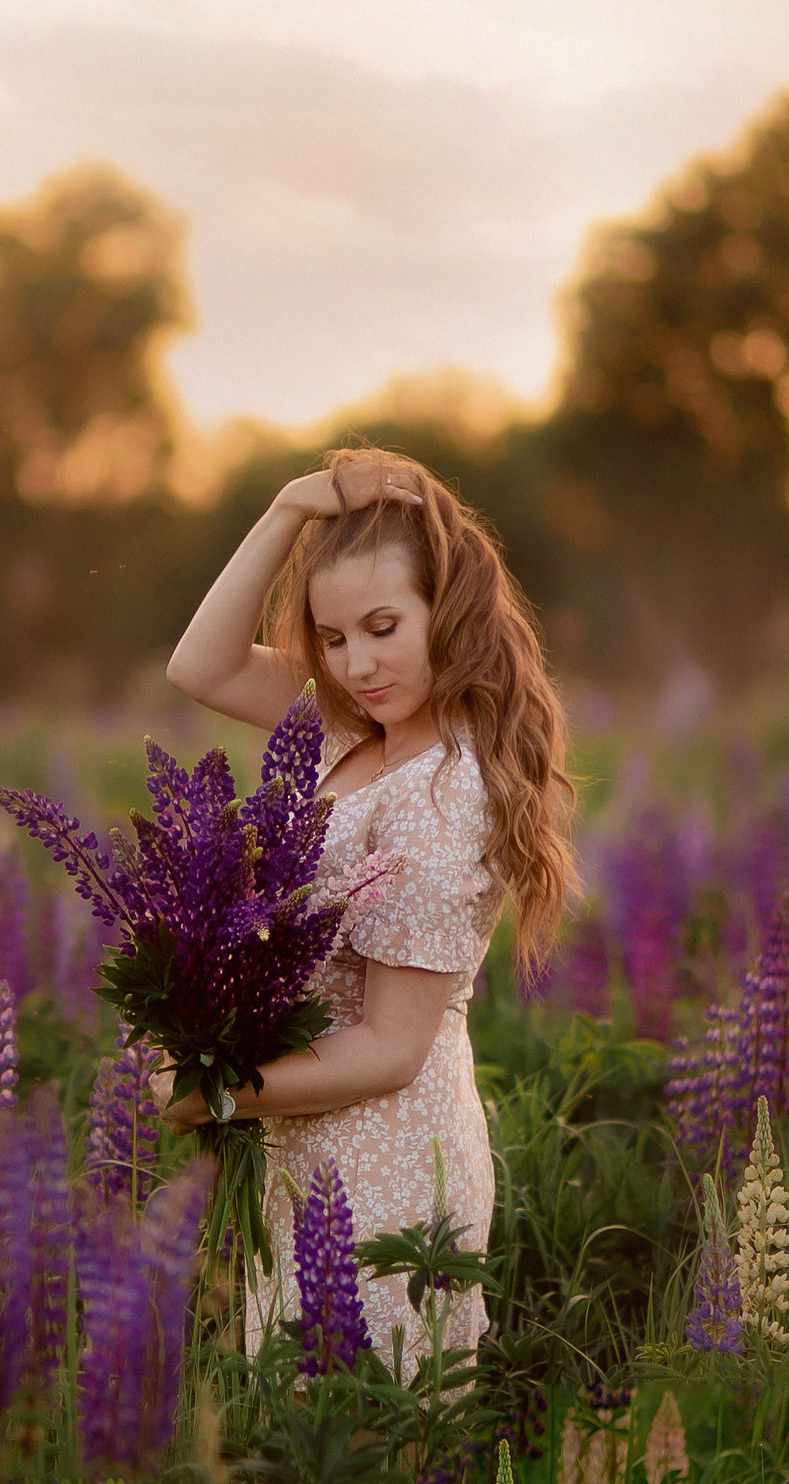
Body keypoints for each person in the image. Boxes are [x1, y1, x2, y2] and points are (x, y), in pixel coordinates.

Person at [157, 447, 579, 1375]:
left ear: (448, 610)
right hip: (304, 1149)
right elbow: (201, 664)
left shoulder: (446, 789)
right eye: (334, 637)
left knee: (379, 1467)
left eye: (384, 626)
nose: (358, 662)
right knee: (300, 1465)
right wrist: (284, 510)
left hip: (389, 1169)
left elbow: (393, 1044)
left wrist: (217, 1093)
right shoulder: (352, 725)